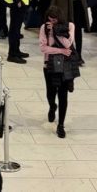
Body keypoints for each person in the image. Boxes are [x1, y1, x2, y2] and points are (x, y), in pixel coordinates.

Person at [40, 8, 76, 139]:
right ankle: (52, 106)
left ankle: (61, 125)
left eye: (54, 20)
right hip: (49, 65)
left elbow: (68, 44)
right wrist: (60, 50)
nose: (51, 22)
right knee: (50, 93)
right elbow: (43, 48)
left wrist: (57, 31)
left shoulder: (70, 26)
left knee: (63, 96)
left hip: (65, 66)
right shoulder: (44, 28)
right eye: (50, 19)